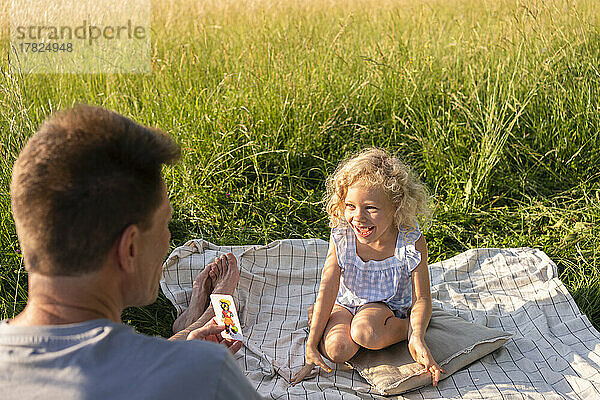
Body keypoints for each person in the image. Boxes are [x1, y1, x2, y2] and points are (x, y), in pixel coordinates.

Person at [0, 105, 261, 399]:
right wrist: (190, 365)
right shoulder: (205, 376)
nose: (168, 240)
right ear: (130, 248)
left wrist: (179, 353)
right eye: (165, 224)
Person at [291, 148, 445, 387]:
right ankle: (326, 321)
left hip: (387, 308)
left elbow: (422, 297)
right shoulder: (342, 236)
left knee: (365, 332)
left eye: (371, 208)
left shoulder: (410, 240)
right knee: (337, 349)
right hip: (347, 302)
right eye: (350, 206)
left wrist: (416, 335)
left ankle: (403, 328)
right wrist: (312, 343)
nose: (358, 218)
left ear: (395, 208)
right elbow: (328, 287)